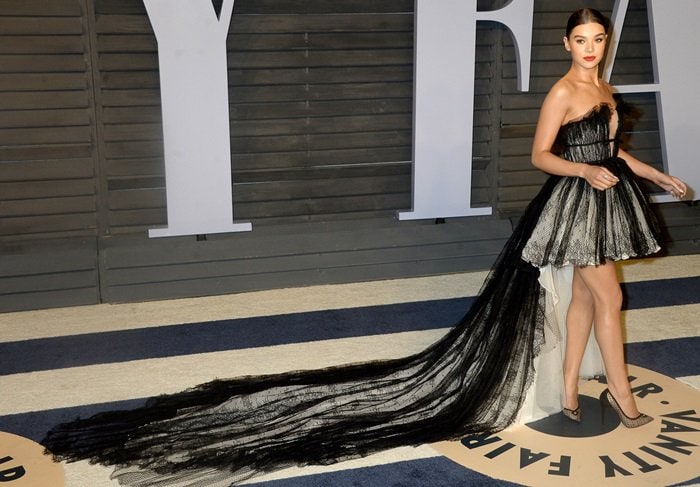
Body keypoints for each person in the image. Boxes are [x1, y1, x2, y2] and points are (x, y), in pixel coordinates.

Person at [42, 8, 687, 486]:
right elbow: (541, 154)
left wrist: (653, 175)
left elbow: (612, 150)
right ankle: (622, 395)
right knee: (610, 295)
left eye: (598, 40)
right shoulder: (563, 91)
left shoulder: (602, 88)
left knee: (582, 300)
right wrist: (586, 172)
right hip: (578, 203)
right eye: (580, 40)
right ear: (565, 43)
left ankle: (572, 388)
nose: (590, 49)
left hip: (605, 197)